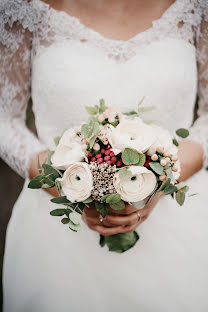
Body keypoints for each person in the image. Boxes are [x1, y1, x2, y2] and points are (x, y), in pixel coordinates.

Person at [1, 0, 208, 311]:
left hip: (180, 228)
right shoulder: (22, 8)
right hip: (56, 241)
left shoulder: (197, 7)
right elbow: (4, 118)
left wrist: (163, 179)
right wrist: (73, 186)